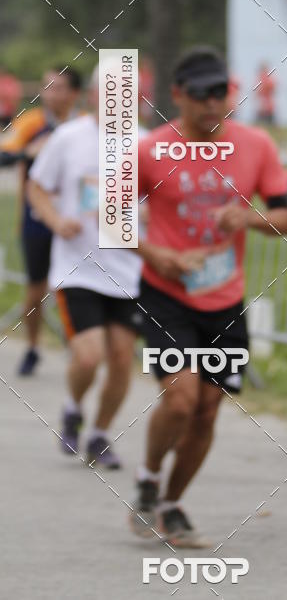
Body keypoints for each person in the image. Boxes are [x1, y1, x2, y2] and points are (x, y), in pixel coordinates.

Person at [130, 46, 287, 546]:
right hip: (166, 293)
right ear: (177, 95)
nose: (211, 103)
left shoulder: (256, 145)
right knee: (180, 399)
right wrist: (155, 254)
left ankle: (172, 504)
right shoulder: (151, 149)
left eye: (220, 92)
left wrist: (248, 217)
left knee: (207, 409)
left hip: (224, 298)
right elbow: (112, 219)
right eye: (200, 94)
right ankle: (148, 476)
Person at [28, 67, 142, 468]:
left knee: (123, 359)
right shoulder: (68, 138)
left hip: (128, 270)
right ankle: (73, 406)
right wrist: (57, 220)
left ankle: (99, 434)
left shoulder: (144, 144)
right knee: (90, 356)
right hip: (77, 267)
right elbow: (36, 187)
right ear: (93, 95)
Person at [0, 65, 82, 375]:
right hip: (36, 219)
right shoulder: (30, 123)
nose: (50, 94)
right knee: (36, 288)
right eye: (46, 87)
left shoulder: (85, 125)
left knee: (76, 286)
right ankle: (33, 346)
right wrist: (27, 153)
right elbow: (3, 156)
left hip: (77, 221)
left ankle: (78, 346)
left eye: (58, 88)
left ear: (74, 94)